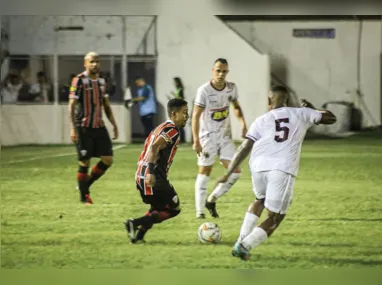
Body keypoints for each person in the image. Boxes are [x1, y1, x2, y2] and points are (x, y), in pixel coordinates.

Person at [214, 85, 337, 261]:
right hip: (281, 168)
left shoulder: (261, 119)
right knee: (275, 218)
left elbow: (244, 147)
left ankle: (241, 239)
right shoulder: (301, 113)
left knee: (260, 200)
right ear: (287, 100)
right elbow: (331, 118)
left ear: (269, 101)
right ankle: (244, 246)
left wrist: (228, 174)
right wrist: (312, 109)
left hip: (257, 166)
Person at [124, 98, 189, 243]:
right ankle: (134, 223)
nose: (187, 116)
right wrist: (152, 172)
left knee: (158, 207)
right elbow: (154, 148)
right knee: (173, 208)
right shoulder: (172, 130)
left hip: (140, 174)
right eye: (184, 112)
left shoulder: (159, 127)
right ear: (174, 114)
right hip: (153, 176)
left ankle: (138, 236)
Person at [192, 58, 248, 219]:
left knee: (235, 171)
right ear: (213, 70)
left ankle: (212, 199)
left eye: (224, 71)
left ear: (227, 72)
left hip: (224, 137)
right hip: (207, 137)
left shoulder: (231, 88)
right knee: (205, 171)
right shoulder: (204, 90)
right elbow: (195, 116)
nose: (221, 74)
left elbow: (236, 107)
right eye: (218, 70)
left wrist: (243, 124)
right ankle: (200, 212)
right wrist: (196, 140)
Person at [68, 51, 119, 205]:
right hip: (83, 127)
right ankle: (85, 198)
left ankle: (85, 184)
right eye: (91, 61)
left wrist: (114, 124)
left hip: (99, 126)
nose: (95, 64)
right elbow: (71, 105)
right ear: (85, 63)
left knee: (108, 160)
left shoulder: (102, 82)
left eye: (97, 61)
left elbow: (105, 105)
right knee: (85, 162)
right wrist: (72, 128)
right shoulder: (79, 81)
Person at [170, 77, 186, 143]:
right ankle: (179, 139)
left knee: (180, 124)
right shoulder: (178, 89)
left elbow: (181, 98)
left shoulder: (180, 89)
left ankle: (182, 139)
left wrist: (175, 96)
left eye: (174, 82)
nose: (173, 83)